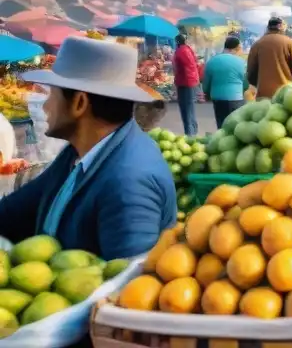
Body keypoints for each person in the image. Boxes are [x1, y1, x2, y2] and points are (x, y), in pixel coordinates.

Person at [0, 37, 175, 258]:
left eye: (52, 95)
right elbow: (16, 210)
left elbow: (126, 281)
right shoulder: (77, 154)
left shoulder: (128, 182)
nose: (45, 105)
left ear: (79, 103)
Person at [247, 17, 292, 99]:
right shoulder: (290, 43)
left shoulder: (257, 44)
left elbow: (251, 72)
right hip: (285, 95)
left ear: (268, 27)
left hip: (263, 95)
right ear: (281, 27)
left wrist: (258, 83)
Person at [202, 36, 249, 128]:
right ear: (237, 48)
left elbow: (205, 85)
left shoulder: (212, 61)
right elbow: (246, 84)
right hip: (236, 99)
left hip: (218, 99)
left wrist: (207, 94)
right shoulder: (242, 62)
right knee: (236, 127)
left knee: (222, 127)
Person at [171, 34, 200, 136]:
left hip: (185, 83)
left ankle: (190, 134)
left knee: (186, 110)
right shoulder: (188, 49)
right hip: (191, 82)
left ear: (177, 42)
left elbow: (179, 68)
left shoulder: (180, 51)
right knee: (190, 108)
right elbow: (194, 65)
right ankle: (193, 131)